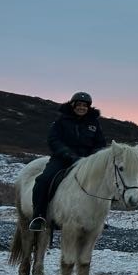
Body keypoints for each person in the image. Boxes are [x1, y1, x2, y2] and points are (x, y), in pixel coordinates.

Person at [29, 92, 107, 231]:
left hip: (86, 162)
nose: (81, 108)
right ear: (73, 105)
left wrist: (92, 158)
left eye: (84, 105)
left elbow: (100, 143)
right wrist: (68, 155)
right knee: (43, 180)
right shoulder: (61, 121)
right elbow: (54, 140)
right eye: (79, 105)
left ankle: (97, 218)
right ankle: (39, 216)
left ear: (88, 107)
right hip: (62, 159)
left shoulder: (94, 123)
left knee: (102, 183)